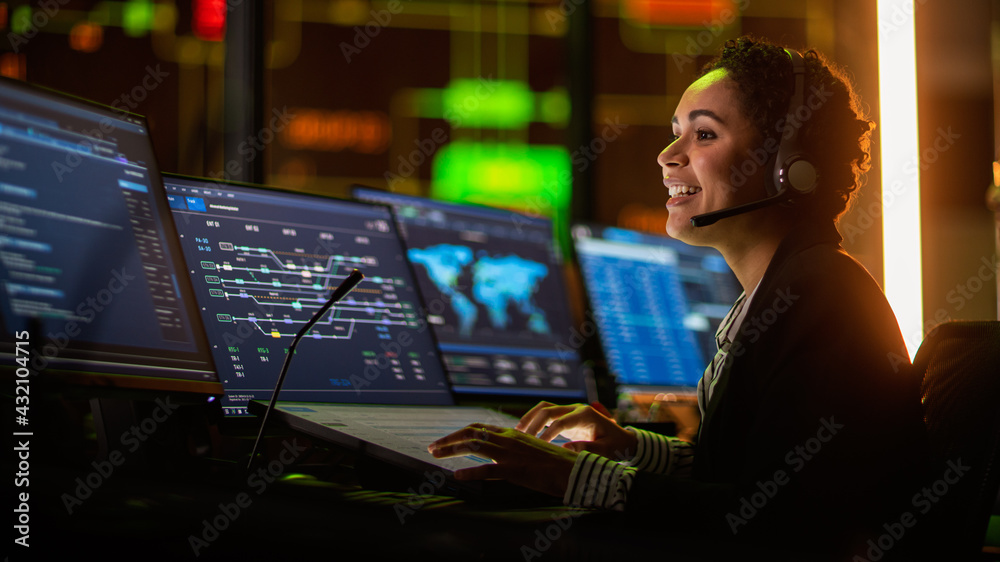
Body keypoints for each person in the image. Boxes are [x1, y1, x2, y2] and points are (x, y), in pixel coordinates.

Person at [429, 36, 930, 558]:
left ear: (788, 165)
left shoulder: (820, 299)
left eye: (705, 134)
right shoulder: (784, 289)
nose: (668, 157)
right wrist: (632, 448)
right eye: (676, 134)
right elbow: (750, 468)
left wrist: (577, 476)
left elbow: (784, 522)